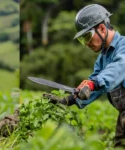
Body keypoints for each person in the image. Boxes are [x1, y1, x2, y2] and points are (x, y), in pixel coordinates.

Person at [43, 4, 125, 147]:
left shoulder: (123, 47)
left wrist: (93, 83)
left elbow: (118, 67)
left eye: (87, 36)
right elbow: (96, 84)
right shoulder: (102, 58)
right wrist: (69, 100)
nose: (87, 43)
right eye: (82, 40)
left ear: (102, 28)